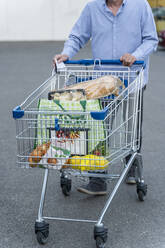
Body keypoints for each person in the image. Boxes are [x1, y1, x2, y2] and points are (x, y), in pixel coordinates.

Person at [53, 0, 158, 195]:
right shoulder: (92, 8)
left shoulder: (140, 5)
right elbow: (77, 36)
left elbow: (151, 39)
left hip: (132, 80)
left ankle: (132, 163)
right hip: (103, 84)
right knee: (100, 130)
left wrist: (135, 55)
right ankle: (98, 179)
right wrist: (66, 53)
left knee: (131, 129)